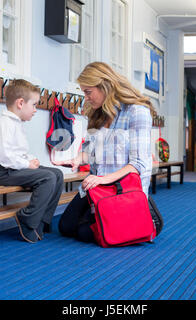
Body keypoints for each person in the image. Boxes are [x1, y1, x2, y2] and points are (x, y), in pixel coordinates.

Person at [54, 62, 154, 243]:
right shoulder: (97, 113)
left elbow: (139, 164)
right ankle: (113, 220)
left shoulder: (137, 112)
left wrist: (103, 179)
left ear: (104, 86)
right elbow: (89, 150)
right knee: (66, 227)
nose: (86, 97)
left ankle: (143, 219)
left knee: (86, 233)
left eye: (88, 92)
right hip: (97, 186)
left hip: (122, 189)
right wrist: (77, 159)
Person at [0, 79, 64, 244]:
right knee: (47, 177)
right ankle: (27, 219)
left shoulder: (17, 124)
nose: (36, 110)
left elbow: (18, 153)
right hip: (4, 171)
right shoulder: (4, 125)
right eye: (34, 105)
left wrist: (29, 160)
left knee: (56, 174)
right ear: (21, 103)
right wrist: (27, 164)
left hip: (15, 168)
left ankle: (42, 220)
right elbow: (5, 157)